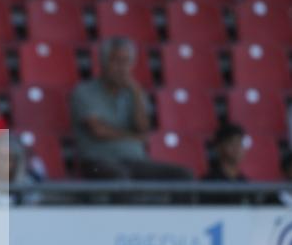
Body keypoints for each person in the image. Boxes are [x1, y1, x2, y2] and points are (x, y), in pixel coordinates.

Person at [71, 37, 193, 180]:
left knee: (183, 175)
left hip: (135, 161)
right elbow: (99, 131)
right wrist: (133, 137)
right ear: (103, 63)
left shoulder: (134, 92)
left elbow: (143, 129)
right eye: (116, 61)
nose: (122, 67)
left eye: (126, 61)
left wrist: (136, 93)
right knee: (120, 177)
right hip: (98, 161)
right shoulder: (84, 91)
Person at [202, 123, 248, 204]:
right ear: (218, 147)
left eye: (240, 143)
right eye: (232, 143)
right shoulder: (208, 183)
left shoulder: (244, 182)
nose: (237, 148)